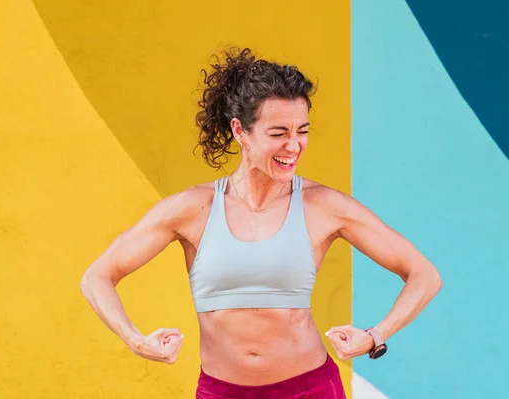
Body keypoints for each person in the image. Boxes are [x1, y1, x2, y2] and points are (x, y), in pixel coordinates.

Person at [79, 47, 443, 398]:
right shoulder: (192, 208)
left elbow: (424, 275)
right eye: (278, 133)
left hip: (310, 390)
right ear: (240, 132)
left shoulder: (324, 206)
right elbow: (97, 276)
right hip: (222, 392)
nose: (294, 146)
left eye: (302, 131)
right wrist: (136, 341)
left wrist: (375, 336)